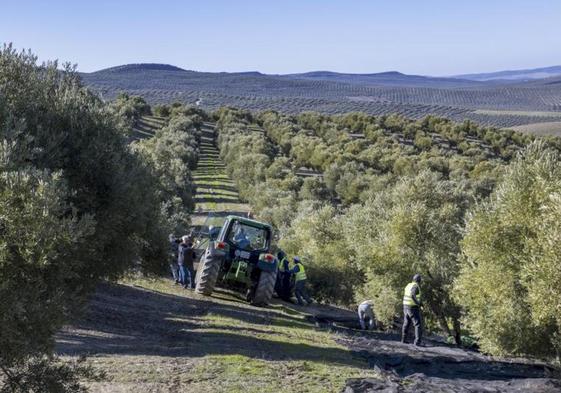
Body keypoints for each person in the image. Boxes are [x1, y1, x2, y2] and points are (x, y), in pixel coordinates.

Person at [401, 273, 423, 346]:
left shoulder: (408, 285)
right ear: (419, 280)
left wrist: (420, 303)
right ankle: (417, 342)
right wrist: (418, 303)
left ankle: (403, 340)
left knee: (406, 323)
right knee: (417, 324)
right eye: (420, 280)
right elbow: (412, 295)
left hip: (405, 306)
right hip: (412, 307)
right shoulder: (415, 286)